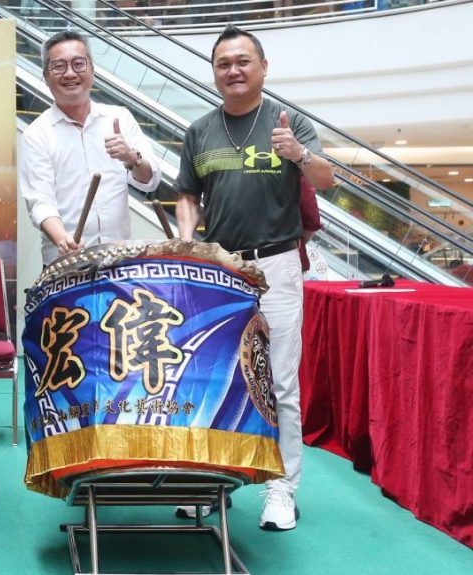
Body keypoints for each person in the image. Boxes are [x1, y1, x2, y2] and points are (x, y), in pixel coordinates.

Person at [174, 25, 334, 531]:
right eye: (223, 63)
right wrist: (188, 240)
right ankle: (209, 486)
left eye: (243, 61)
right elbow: (188, 196)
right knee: (213, 379)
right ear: (214, 73)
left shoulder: (289, 122)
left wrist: (298, 153)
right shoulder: (199, 130)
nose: (234, 70)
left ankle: (281, 490)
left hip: (277, 265)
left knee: (279, 382)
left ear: (263, 67)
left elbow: (327, 179)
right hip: (220, 270)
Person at [21, 30, 160, 265]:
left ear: (92, 70)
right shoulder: (37, 134)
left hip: (119, 260)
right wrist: (62, 240)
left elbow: (151, 180)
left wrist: (132, 158)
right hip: (66, 265)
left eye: (78, 64)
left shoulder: (119, 117)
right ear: (45, 76)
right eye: (59, 66)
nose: (70, 73)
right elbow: (40, 202)